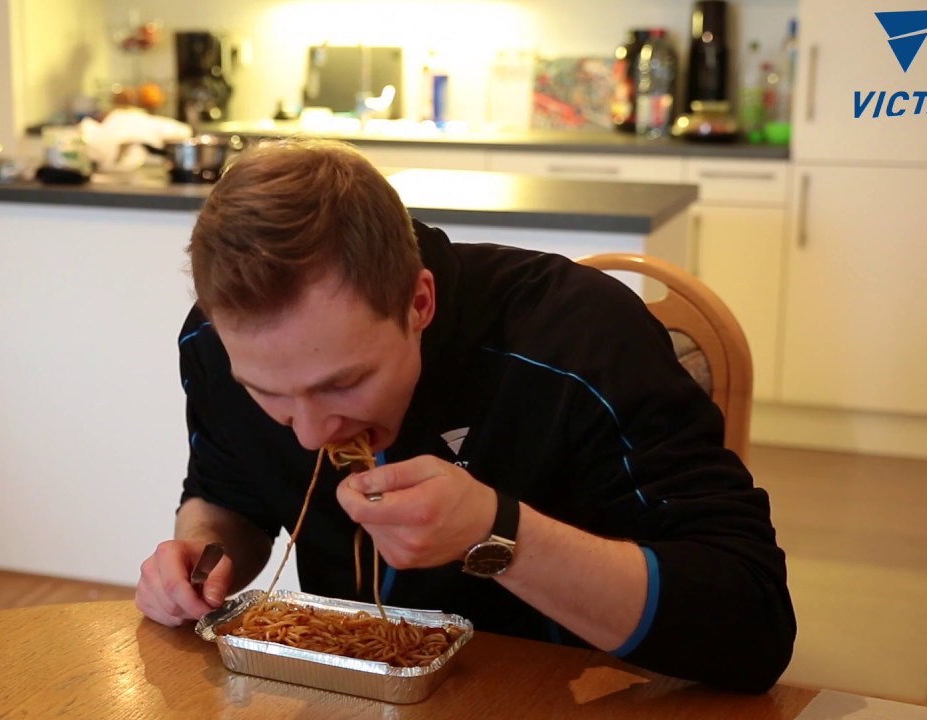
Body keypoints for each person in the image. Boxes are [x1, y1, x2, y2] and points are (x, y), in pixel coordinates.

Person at [135, 138, 795, 693]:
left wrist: (498, 533)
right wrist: (200, 557)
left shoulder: (578, 336)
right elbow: (229, 494)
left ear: (419, 303)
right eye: (270, 395)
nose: (310, 433)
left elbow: (753, 625)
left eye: (345, 382)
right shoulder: (216, 345)